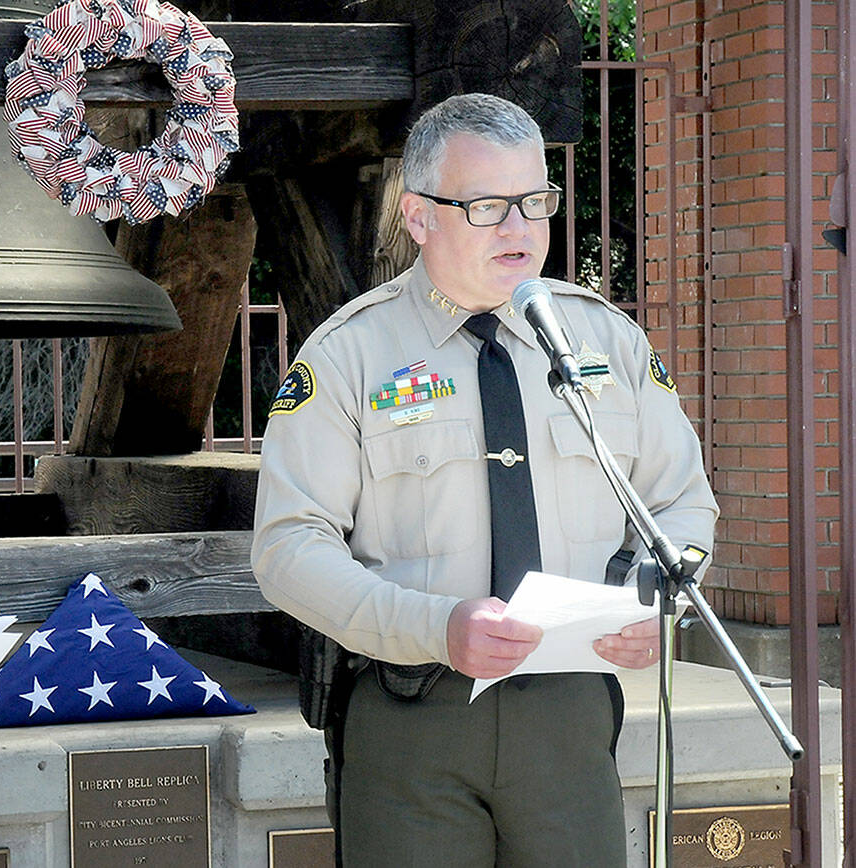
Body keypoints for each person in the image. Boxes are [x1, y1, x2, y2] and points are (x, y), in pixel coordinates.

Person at [252, 92, 718, 867]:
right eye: (488, 206)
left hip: (569, 711)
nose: (521, 229)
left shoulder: (605, 341)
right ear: (419, 216)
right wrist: (434, 626)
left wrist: (653, 601)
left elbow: (682, 505)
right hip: (412, 711)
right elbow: (289, 549)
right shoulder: (347, 357)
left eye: (535, 201)